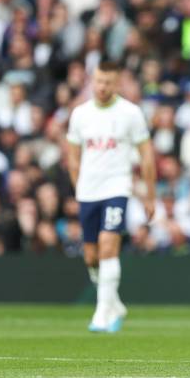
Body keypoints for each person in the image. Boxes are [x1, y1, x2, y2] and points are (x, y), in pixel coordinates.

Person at [67, 62, 156, 333]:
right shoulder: (80, 114)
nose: (102, 87)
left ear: (117, 84)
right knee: (91, 256)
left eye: (108, 82)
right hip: (88, 192)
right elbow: (72, 156)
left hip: (117, 188)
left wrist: (150, 195)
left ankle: (101, 313)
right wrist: (78, 187)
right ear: (92, 81)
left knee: (108, 245)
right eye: (98, 81)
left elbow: (147, 154)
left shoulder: (130, 113)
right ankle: (114, 303)